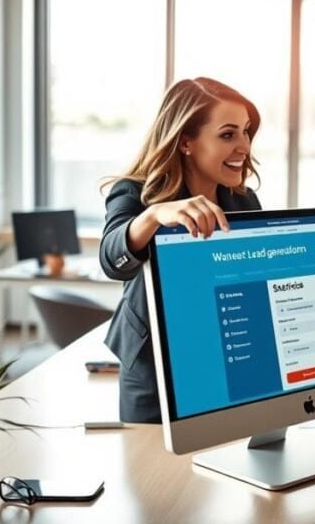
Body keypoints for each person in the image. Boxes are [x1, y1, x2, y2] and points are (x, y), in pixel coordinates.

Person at [99, 77, 264, 424]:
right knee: (152, 459)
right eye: (228, 134)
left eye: (246, 132)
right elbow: (112, 260)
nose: (244, 146)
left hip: (225, 354)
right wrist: (153, 216)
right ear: (186, 141)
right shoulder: (136, 193)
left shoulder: (244, 200)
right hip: (155, 367)